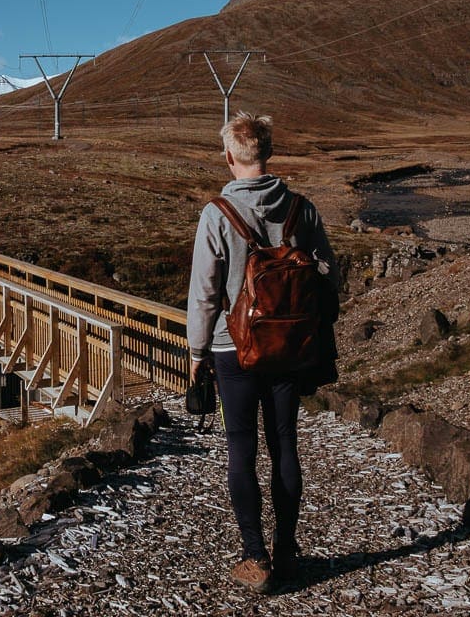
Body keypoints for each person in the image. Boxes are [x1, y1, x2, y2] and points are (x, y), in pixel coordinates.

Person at [186, 112, 340, 593]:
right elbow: (328, 277)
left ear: (230, 156)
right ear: (267, 154)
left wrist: (197, 350)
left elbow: (205, 292)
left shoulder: (217, 213)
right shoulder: (302, 209)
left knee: (241, 448)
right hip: (290, 349)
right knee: (285, 445)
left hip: (235, 351)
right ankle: (289, 551)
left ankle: (255, 557)